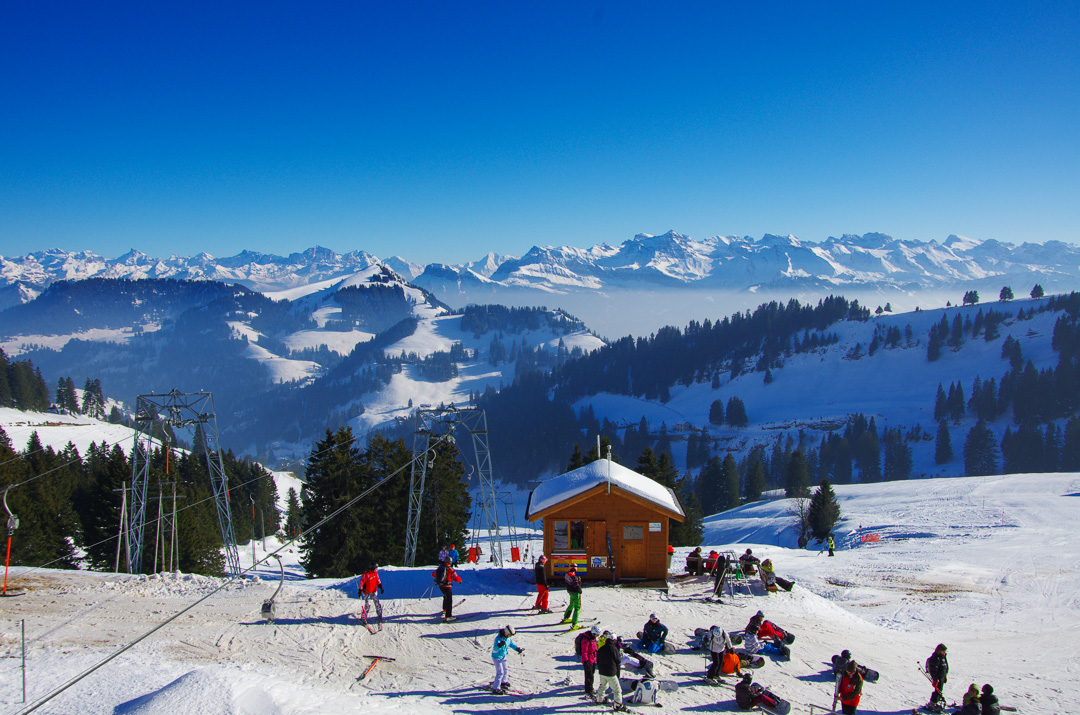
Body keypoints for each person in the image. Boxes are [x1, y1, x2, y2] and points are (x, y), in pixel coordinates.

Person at [595, 631, 627, 711]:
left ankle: (599, 699)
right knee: (617, 690)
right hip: (611, 673)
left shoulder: (601, 648)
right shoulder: (614, 649)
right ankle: (617, 705)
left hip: (602, 671)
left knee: (603, 686)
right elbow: (618, 661)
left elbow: (598, 660)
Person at [490, 625, 523, 693]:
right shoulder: (498, 638)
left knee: (505, 669)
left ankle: (503, 682)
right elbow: (495, 649)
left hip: (503, 656)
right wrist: (499, 645)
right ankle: (495, 688)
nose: (509, 636)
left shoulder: (508, 639)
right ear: (506, 632)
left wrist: (517, 649)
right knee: (500, 672)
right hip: (496, 657)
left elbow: (511, 644)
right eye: (509, 635)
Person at [574, 625, 600, 698]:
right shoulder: (586, 640)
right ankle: (588, 689)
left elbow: (594, 647)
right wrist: (586, 661)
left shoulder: (592, 638)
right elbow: (584, 652)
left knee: (592, 673)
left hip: (593, 659)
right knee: (589, 675)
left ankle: (590, 686)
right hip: (588, 660)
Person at [357, 562, 385, 629]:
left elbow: (378, 580)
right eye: (376, 568)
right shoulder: (366, 574)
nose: (377, 569)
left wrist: (381, 587)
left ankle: (380, 615)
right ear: (372, 568)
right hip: (366, 592)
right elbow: (361, 583)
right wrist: (359, 591)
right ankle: (363, 618)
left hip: (373, 590)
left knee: (377, 603)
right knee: (368, 605)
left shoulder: (375, 573)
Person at [434, 556, 461, 622]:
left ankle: (444, 609)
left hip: (440, 586)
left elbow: (433, 574)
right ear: (450, 562)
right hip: (447, 586)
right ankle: (448, 616)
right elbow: (455, 578)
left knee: (445, 597)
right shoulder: (450, 569)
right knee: (449, 600)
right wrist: (460, 580)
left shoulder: (440, 568)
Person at [925, 643, 949, 711]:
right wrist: (935, 679)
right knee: (937, 691)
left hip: (942, 676)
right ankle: (932, 703)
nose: (944, 653)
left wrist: (945, 675)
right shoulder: (935, 658)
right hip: (937, 678)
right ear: (939, 650)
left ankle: (935, 702)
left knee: (940, 690)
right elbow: (933, 670)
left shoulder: (943, 657)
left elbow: (945, 666)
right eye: (943, 651)